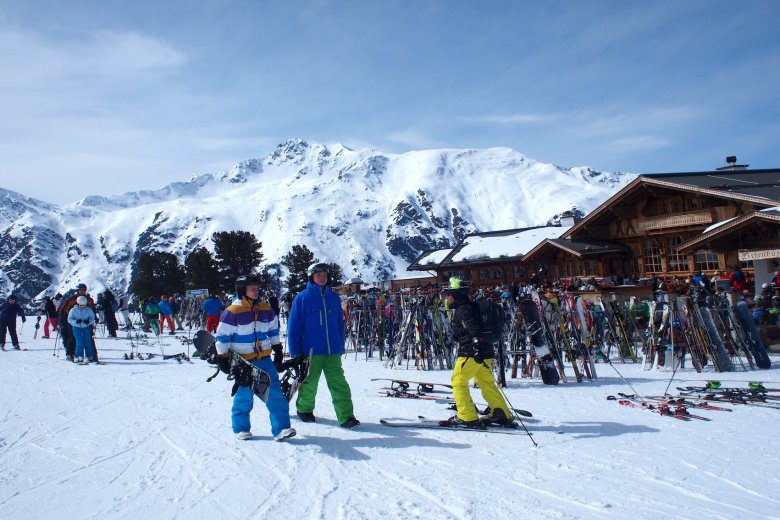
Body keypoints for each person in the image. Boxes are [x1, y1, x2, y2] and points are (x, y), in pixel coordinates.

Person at [215, 275, 295, 441]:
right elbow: (222, 337)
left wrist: (277, 348)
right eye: (252, 288)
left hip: (264, 358)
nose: (256, 291)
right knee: (244, 394)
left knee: (275, 393)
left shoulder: (265, 307)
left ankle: (282, 428)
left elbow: (273, 328)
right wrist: (222, 357)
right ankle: (241, 428)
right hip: (244, 361)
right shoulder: (232, 312)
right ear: (242, 291)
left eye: (257, 288)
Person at [287, 262, 360, 428]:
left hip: (332, 351)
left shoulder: (334, 298)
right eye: (318, 274)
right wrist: (296, 353)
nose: (322, 277)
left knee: (339, 383)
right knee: (309, 382)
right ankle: (304, 409)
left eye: (325, 275)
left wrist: (340, 344)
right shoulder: (302, 298)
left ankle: (346, 416)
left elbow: (339, 324)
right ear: (311, 277)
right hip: (310, 351)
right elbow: (294, 327)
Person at [440, 278, 513, 427]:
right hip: (485, 352)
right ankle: (501, 413)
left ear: (455, 295)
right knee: (485, 382)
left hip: (471, 352)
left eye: (448, 294)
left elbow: (474, 329)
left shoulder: (464, 310)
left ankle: (467, 416)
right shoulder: (471, 307)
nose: (446, 298)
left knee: (458, 382)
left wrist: (476, 345)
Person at [58, 284, 98, 361]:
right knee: (73, 337)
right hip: (73, 322)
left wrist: (94, 319)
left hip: (86, 322)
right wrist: (62, 319)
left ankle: (92, 355)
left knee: (89, 338)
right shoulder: (72, 299)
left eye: (84, 290)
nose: (82, 291)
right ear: (78, 290)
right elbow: (64, 310)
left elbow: (92, 310)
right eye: (81, 290)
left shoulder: (89, 300)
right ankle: (70, 354)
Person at [68, 296, 96, 363]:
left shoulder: (88, 310)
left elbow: (92, 318)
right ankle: (79, 355)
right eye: (81, 305)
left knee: (87, 341)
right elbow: (69, 319)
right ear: (78, 304)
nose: (82, 307)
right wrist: (75, 321)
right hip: (76, 327)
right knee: (80, 341)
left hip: (86, 327)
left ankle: (89, 355)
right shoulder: (73, 310)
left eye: (84, 305)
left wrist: (89, 321)